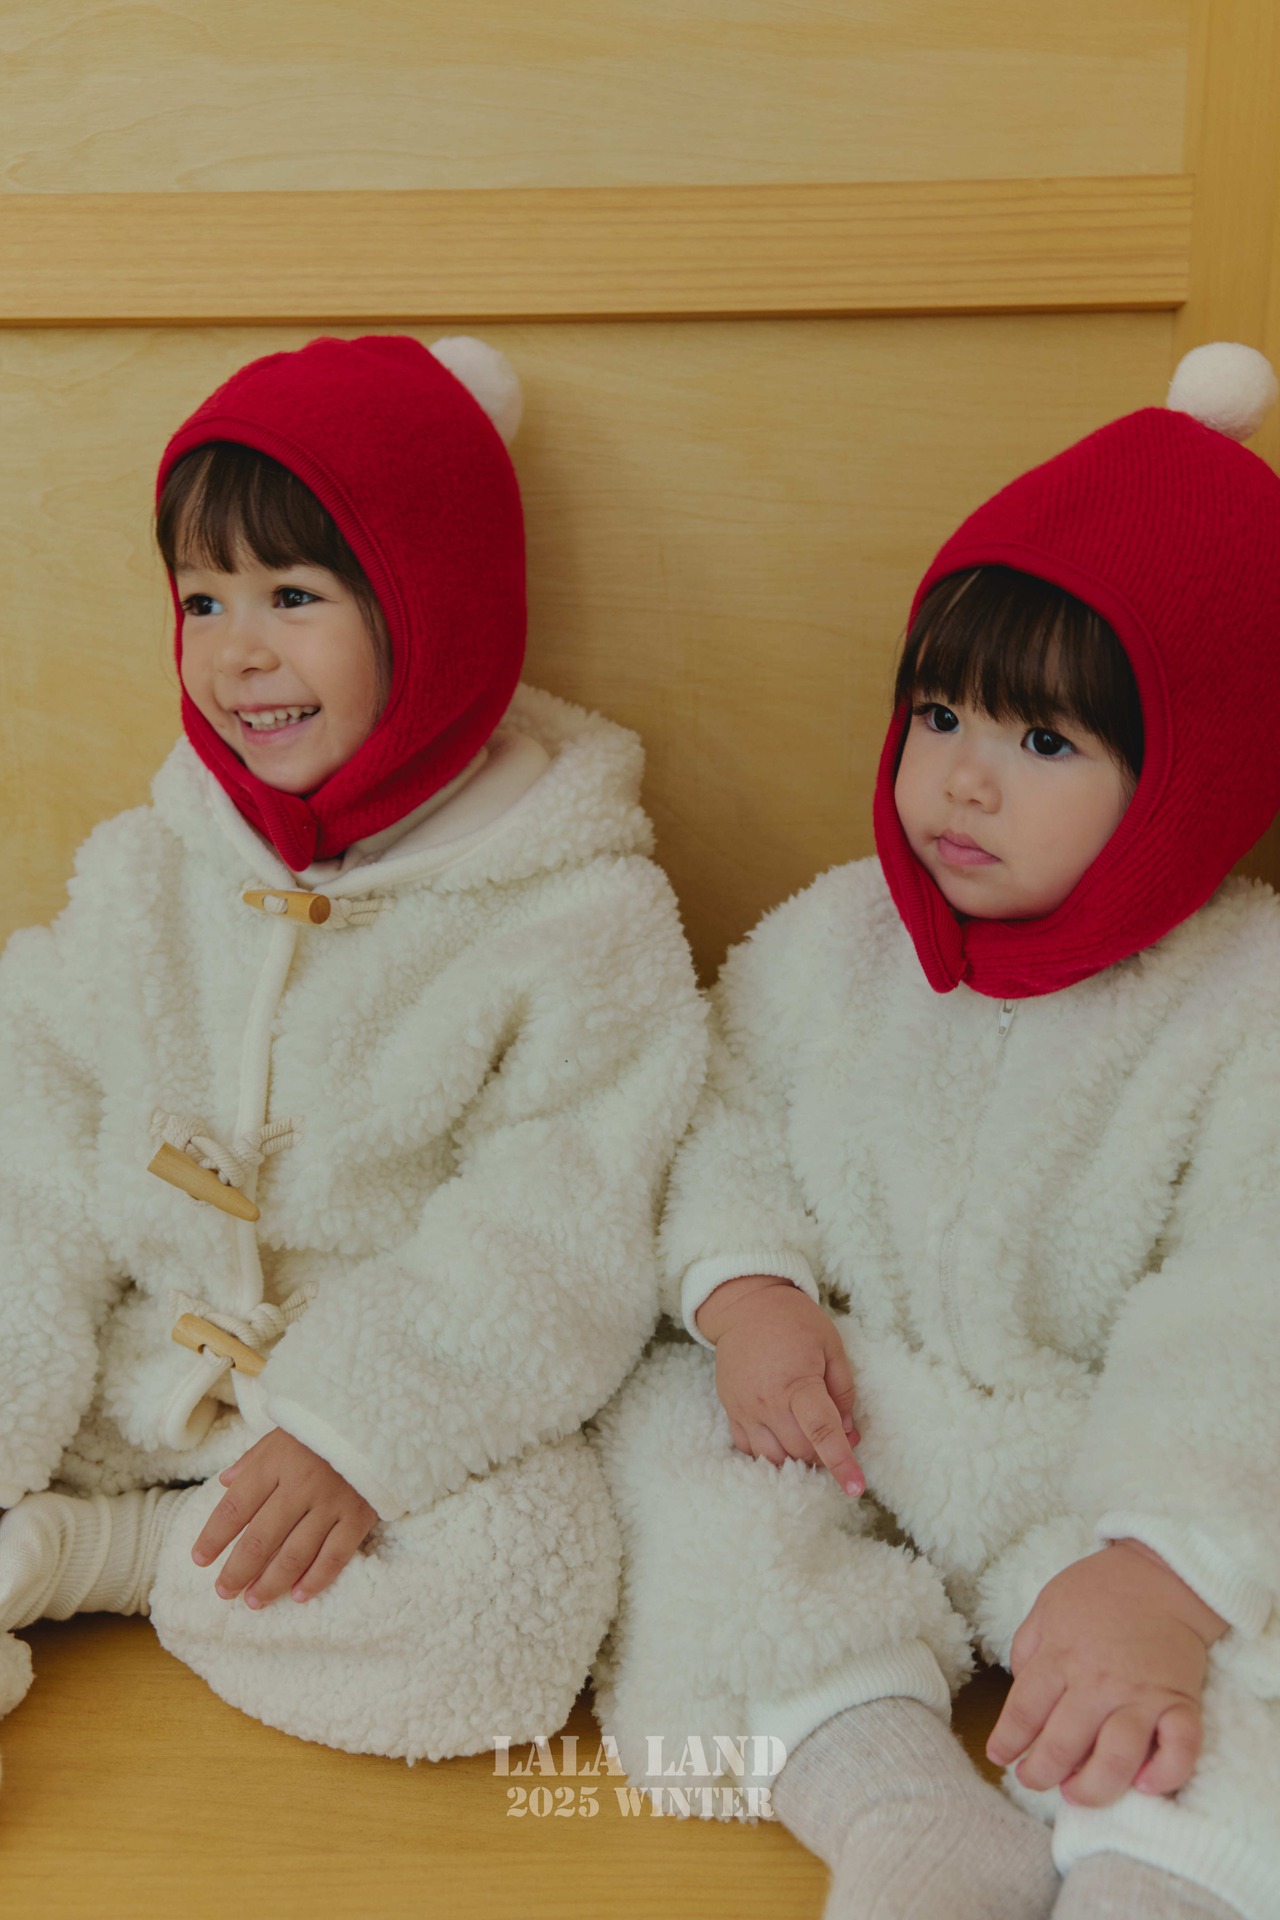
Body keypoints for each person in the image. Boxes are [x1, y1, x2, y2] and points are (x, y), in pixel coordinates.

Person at [592, 343, 1280, 1920]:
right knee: (672, 1454)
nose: (963, 779)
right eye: (943, 711)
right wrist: (749, 1290)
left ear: (1188, 776)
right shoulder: (836, 940)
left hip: (1102, 1472)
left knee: (1239, 1648)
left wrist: (1164, 1567)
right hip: (857, 1419)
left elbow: (1251, 1297)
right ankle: (893, 1800)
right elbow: (718, 1111)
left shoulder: (1246, 999)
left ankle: (1156, 1872)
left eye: (1045, 743)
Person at [0, 332, 706, 1772]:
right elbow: (34, 1134)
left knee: (512, 1605)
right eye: (202, 600)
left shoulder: (581, 914)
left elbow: (561, 1227)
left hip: (391, 1423)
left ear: (430, 612)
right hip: (137, 1368)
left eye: (294, 597)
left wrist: (358, 1427)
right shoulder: (152, 865)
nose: (237, 651)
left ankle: (110, 1558)